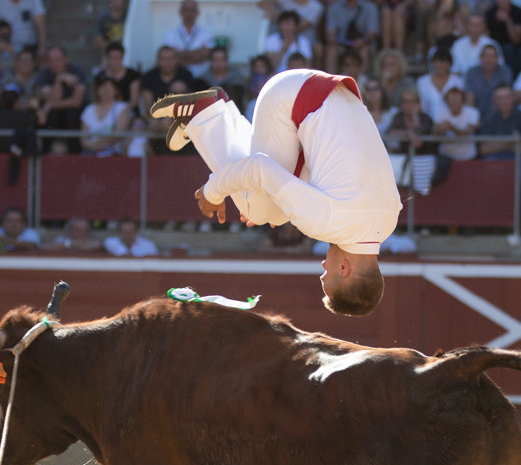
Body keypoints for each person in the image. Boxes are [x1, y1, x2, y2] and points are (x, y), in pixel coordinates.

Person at [150, 72, 401, 315]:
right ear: (344, 269)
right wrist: (213, 191)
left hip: (332, 92)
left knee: (271, 209)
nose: (323, 266)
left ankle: (216, 116)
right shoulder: (326, 223)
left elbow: (329, 167)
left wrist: (272, 203)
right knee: (255, 209)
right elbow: (259, 168)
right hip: (290, 96)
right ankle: (204, 115)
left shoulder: (389, 221)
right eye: (326, 275)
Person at [36, 44, 86, 153]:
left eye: (57, 60)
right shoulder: (44, 74)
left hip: (72, 117)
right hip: (52, 119)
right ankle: (46, 152)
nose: (54, 64)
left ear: (65, 60)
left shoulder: (77, 71)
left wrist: (49, 105)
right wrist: (59, 80)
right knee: (51, 114)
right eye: (51, 60)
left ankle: (75, 153)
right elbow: (52, 99)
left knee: (71, 112)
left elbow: (77, 101)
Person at [78, 75, 130, 155]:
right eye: (102, 86)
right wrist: (92, 146)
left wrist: (99, 142)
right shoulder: (89, 109)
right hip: (92, 152)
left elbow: (119, 134)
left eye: (109, 87)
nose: (106, 90)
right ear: (97, 90)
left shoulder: (122, 108)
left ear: (115, 90)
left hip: (113, 151)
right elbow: (83, 138)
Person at [324, 0, 378, 75]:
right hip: (342, 43)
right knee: (331, 48)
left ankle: (362, 80)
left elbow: (372, 32)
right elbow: (331, 31)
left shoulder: (370, 7)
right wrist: (331, 37)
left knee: (364, 49)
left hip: (362, 43)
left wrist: (363, 41)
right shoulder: (334, 7)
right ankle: (331, 79)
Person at [478, 82, 521, 159]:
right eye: (500, 98)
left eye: (507, 98)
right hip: (494, 161)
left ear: (513, 98)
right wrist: (511, 142)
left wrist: (497, 144)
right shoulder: (488, 118)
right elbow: (483, 149)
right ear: (494, 100)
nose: (504, 102)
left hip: (516, 160)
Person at [464, 43, 513, 120]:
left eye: (492, 56)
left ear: (497, 59)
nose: (489, 60)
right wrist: (473, 118)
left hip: (498, 113)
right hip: (477, 113)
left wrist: (489, 119)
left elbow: (503, 96)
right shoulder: (472, 72)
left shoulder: (505, 72)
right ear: (480, 58)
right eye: (486, 56)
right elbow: (470, 97)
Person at [140, 44, 193, 114]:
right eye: (164, 59)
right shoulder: (149, 76)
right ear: (157, 61)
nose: (167, 63)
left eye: (170, 59)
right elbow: (148, 107)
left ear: (176, 60)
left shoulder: (186, 75)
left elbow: (192, 102)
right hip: (156, 117)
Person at [434, 84, 479, 160]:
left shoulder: (473, 112)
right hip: (446, 155)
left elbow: (467, 132)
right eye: (451, 100)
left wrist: (451, 127)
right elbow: (434, 132)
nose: (454, 102)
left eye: (457, 100)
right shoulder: (440, 112)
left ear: (463, 101)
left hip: (468, 156)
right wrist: (440, 129)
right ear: (446, 101)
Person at [417, 48, 462, 120]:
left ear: (450, 64)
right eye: (438, 62)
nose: (441, 65)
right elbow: (421, 105)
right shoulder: (422, 81)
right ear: (432, 63)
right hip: (427, 123)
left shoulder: (458, 81)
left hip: (452, 123)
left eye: (444, 62)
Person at [97, 40, 141, 112]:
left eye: (117, 57)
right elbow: (97, 99)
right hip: (105, 112)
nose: (115, 61)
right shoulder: (100, 77)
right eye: (112, 58)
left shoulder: (133, 75)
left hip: (127, 111)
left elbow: (134, 102)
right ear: (107, 58)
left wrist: (118, 111)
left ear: (122, 57)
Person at [451, 12, 498, 78]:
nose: (475, 29)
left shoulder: (492, 44)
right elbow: (454, 70)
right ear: (467, 25)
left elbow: (498, 67)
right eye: (472, 25)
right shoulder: (458, 45)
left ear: (483, 26)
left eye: (478, 25)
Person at [264, 9, 310, 74]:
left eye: (290, 24)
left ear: (296, 26)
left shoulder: (303, 41)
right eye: (285, 23)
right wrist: (284, 46)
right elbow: (272, 65)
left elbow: (307, 65)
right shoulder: (271, 40)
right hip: (276, 75)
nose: (287, 27)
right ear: (279, 25)